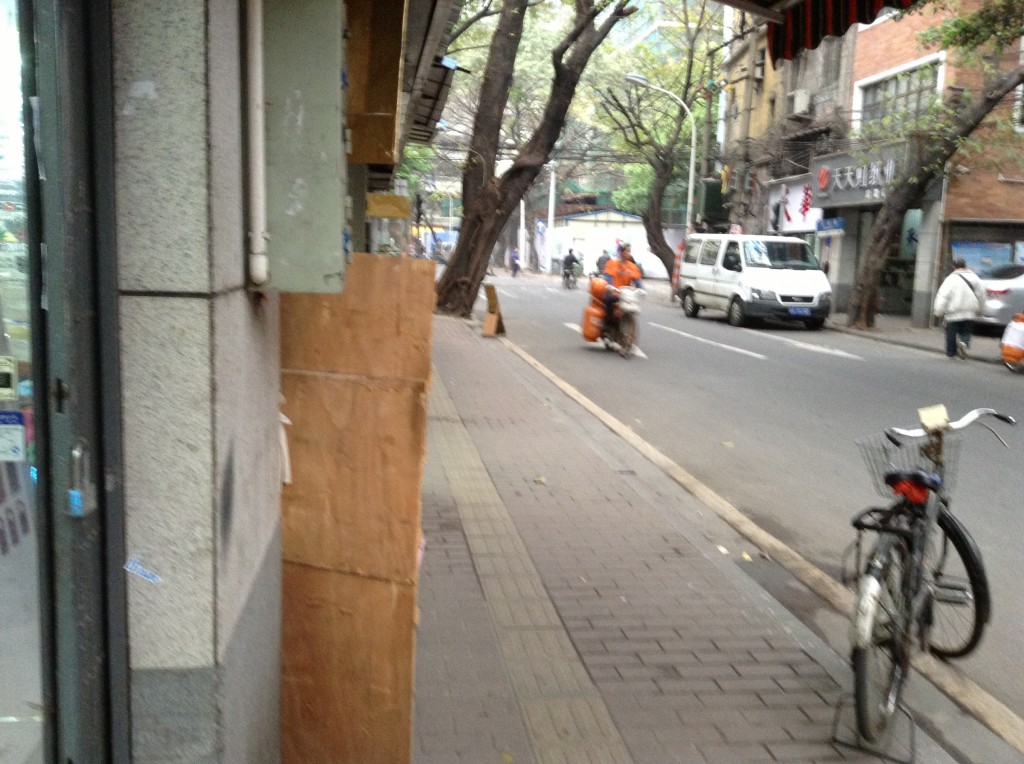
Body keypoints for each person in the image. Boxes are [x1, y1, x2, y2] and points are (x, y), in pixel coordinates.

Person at [932, 257, 985, 359]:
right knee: (966, 330)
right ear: (965, 266)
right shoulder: (975, 278)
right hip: (970, 311)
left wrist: (938, 311)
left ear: (953, 266)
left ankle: (951, 352)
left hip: (953, 313)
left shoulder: (950, 279)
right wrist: (981, 309)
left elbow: (943, 296)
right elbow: (982, 296)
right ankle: (964, 343)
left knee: (951, 333)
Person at [600, 243, 644, 333]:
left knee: (633, 305)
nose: (629, 253)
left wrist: (640, 288)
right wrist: (610, 286)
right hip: (614, 292)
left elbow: (637, 279)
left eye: (629, 251)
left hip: (626, 294)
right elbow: (608, 276)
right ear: (621, 252)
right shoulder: (612, 264)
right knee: (608, 300)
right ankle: (609, 324)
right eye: (627, 251)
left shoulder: (632, 266)